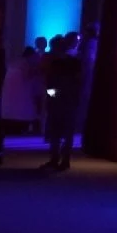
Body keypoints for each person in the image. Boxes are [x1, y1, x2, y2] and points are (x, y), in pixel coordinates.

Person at [43, 33, 83, 171]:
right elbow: (78, 82)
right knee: (67, 132)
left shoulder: (55, 63)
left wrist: (51, 96)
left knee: (55, 131)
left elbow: (50, 83)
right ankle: (65, 160)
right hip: (69, 100)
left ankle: (55, 159)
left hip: (58, 101)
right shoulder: (75, 63)